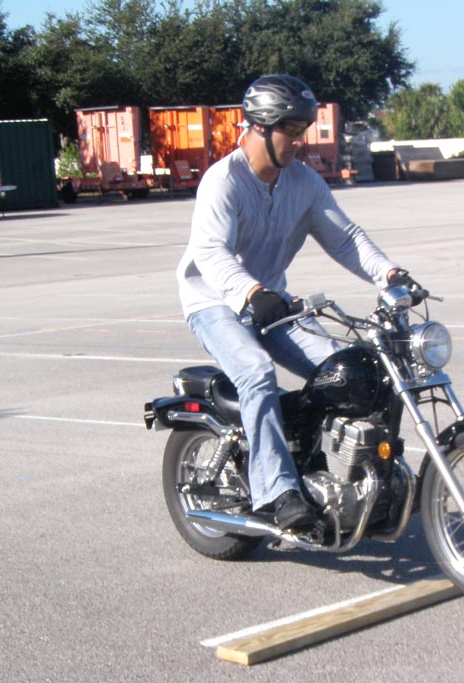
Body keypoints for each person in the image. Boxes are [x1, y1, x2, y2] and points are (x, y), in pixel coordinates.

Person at [175, 73, 420, 532]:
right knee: (255, 372)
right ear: (260, 127)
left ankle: (340, 471)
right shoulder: (222, 182)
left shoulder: (302, 182)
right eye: (290, 130)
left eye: (302, 129)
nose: (299, 140)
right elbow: (210, 252)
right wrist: (251, 292)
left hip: (272, 302)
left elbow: (345, 237)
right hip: (215, 302)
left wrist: (389, 273)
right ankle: (276, 492)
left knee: (344, 371)